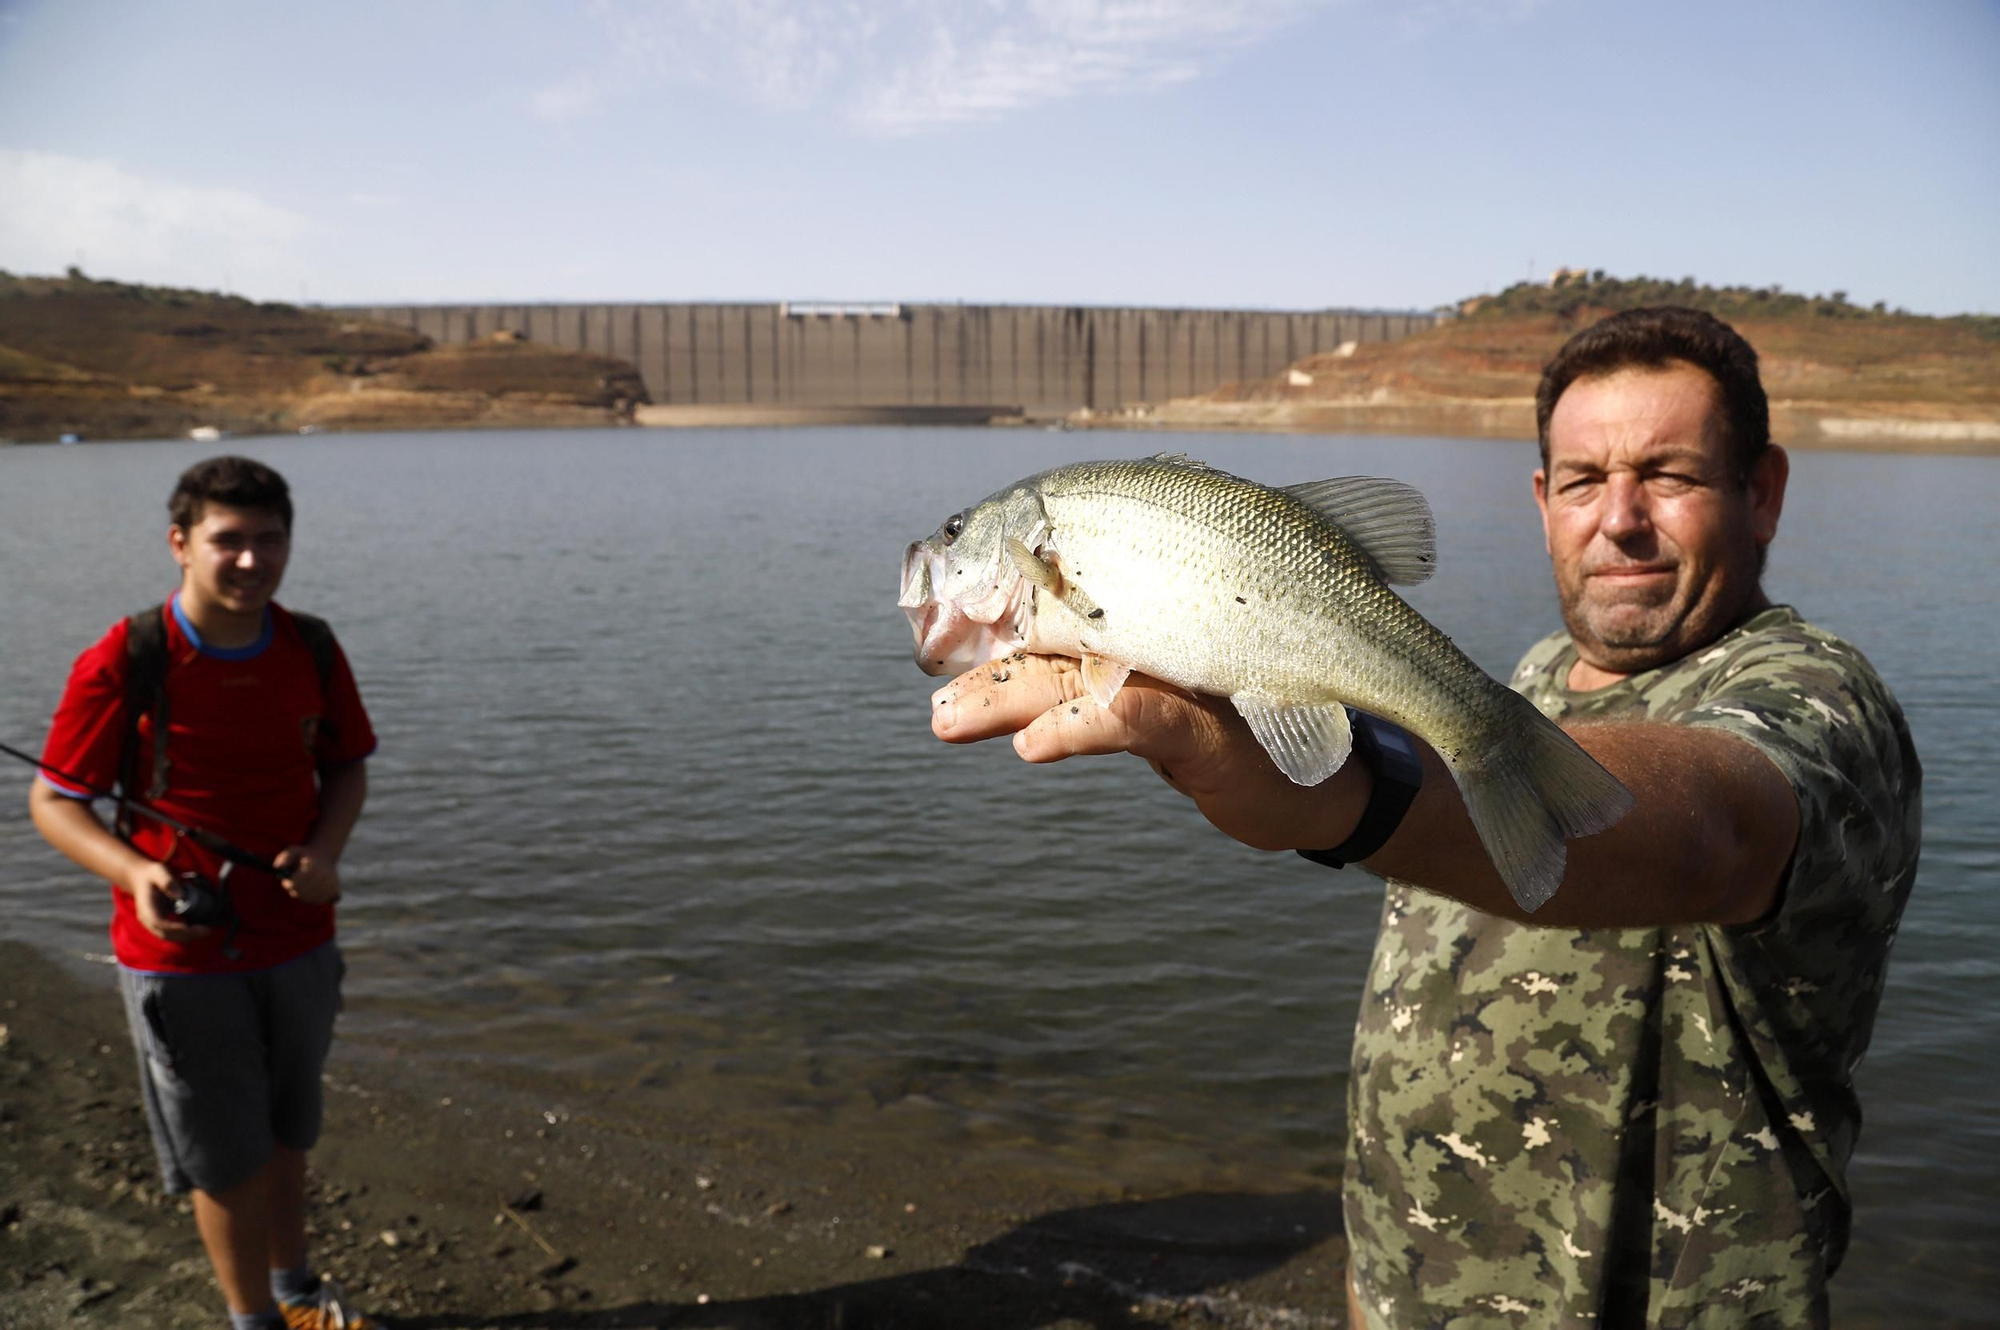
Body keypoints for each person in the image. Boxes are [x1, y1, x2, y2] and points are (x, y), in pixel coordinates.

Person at [926, 307, 1921, 1328]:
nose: (1618, 517)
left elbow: (1704, 834)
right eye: (1581, 479)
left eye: (1668, 475)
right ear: (1540, 500)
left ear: (1759, 493)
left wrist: (1360, 790)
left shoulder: (1819, 698)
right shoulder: (1530, 679)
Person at [28, 456, 380, 1330]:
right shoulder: (129, 657)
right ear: (181, 544)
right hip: (181, 957)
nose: (252, 561)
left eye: (270, 540)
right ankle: (253, 1320)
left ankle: (296, 1289)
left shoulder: (314, 646)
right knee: (224, 1155)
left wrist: (327, 852)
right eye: (229, 541)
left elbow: (345, 766)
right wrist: (137, 874)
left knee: (290, 1129)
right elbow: (54, 800)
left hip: (299, 937)